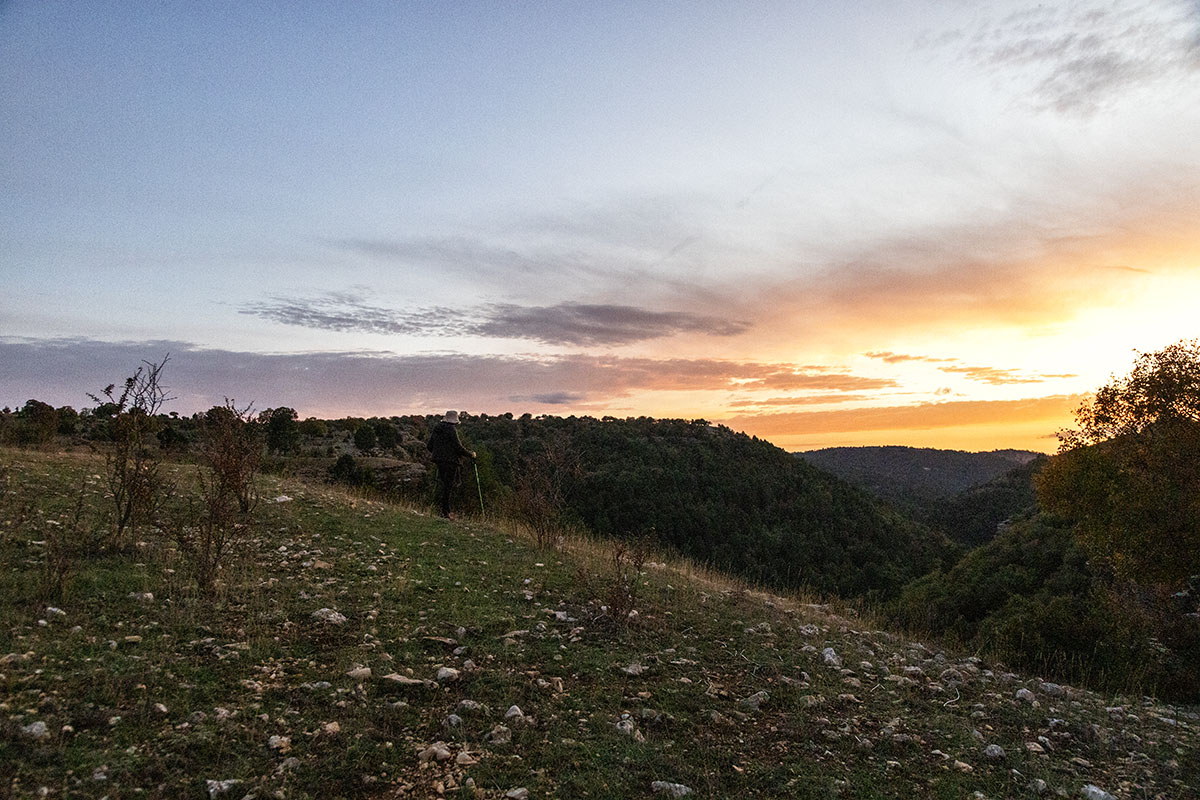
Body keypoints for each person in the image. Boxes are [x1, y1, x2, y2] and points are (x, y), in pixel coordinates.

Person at [426, 410, 476, 518]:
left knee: (444, 485)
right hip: (451, 463)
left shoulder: (437, 428)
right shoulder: (451, 429)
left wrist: (438, 454)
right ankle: (446, 512)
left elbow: (429, 446)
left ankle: (444, 510)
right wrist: (471, 454)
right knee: (448, 486)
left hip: (439, 461)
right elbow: (458, 447)